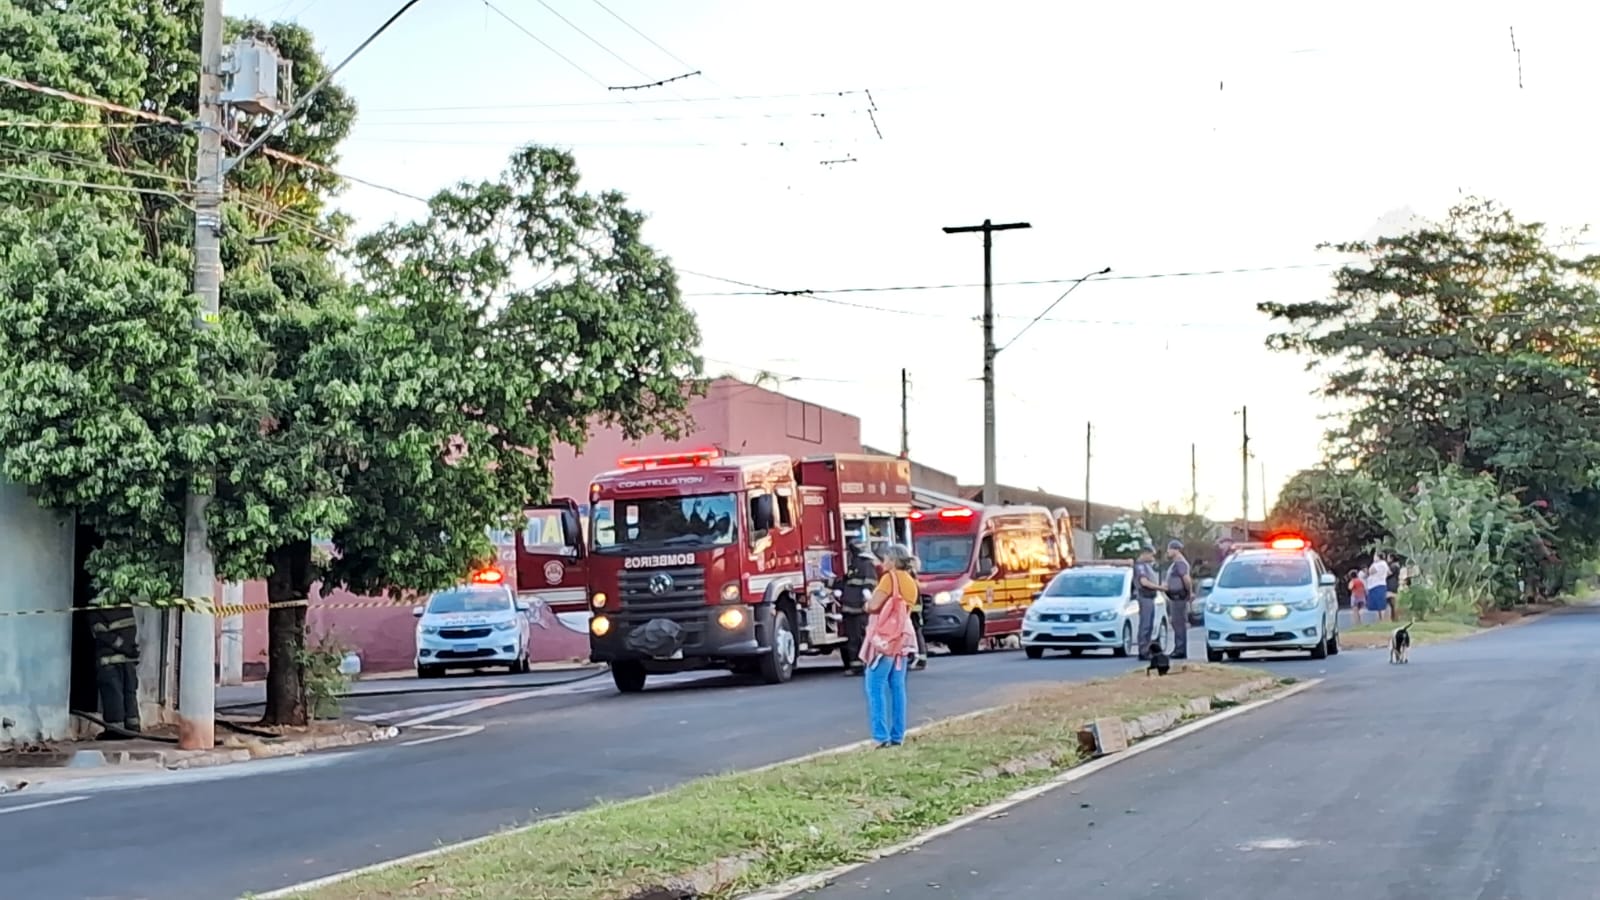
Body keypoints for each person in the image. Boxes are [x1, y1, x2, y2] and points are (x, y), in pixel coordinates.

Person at [860, 543, 920, 748]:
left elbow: (874, 605)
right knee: (897, 687)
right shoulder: (911, 582)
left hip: (885, 639)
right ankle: (897, 735)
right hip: (903, 637)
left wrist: (866, 604)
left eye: (885, 559)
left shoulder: (889, 579)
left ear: (893, 561)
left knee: (874, 685)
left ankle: (880, 735)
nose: (882, 563)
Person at [87, 605, 141, 739]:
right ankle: (132, 726)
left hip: (110, 660)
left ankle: (115, 730)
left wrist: (122, 646)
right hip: (128, 659)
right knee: (129, 692)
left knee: (113, 693)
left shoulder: (98, 608)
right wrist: (128, 648)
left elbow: (101, 634)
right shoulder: (125, 604)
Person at [839, 541, 877, 677]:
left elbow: (870, 582)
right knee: (853, 638)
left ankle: (862, 665)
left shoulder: (866, 564)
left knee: (859, 638)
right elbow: (847, 582)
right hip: (850, 607)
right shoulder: (854, 564)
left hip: (859, 609)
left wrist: (867, 597)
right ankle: (857, 665)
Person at [1164, 539, 1194, 659]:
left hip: (1179, 597)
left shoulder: (1180, 563)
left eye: (1169, 549)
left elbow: (1186, 579)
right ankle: (1178, 648)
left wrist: (1189, 593)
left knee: (1179, 623)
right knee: (1176, 623)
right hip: (1175, 597)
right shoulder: (1176, 563)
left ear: (1175, 550)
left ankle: (1180, 650)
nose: (1168, 552)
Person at [1133, 544, 1163, 659]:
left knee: (1149, 625)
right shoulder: (1140, 566)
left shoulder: (1146, 565)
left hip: (1150, 597)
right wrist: (1160, 588)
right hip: (1145, 597)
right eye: (1151, 555)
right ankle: (1143, 650)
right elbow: (1144, 582)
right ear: (1145, 553)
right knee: (1145, 625)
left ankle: (1146, 649)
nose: (1152, 557)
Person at [1366, 553, 1391, 622]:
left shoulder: (1379, 564)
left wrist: (1373, 564)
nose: (1374, 558)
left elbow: (1370, 571)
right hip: (1379, 584)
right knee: (1379, 603)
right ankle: (1381, 619)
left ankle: (1382, 619)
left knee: (1380, 603)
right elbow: (1389, 572)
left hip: (1376, 584)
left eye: (1375, 556)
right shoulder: (1385, 564)